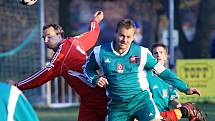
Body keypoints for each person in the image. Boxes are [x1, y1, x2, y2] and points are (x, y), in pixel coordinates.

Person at [83, 19, 200, 121]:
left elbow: (163, 72)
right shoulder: (100, 52)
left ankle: (185, 111)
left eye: (129, 37)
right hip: (118, 106)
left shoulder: (142, 53)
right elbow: (87, 69)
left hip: (141, 102)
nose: (125, 40)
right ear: (116, 34)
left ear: (133, 37)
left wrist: (185, 88)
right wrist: (95, 78)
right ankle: (185, 111)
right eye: (122, 35)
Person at [10, 11, 108, 121]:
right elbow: (93, 34)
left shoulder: (61, 56)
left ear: (59, 35)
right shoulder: (75, 41)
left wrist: (16, 85)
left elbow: (42, 76)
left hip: (99, 98)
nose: (46, 41)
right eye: (44, 38)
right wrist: (95, 21)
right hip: (89, 100)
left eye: (49, 37)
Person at [149, 43, 206, 121]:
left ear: (166, 56)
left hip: (165, 115)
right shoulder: (145, 75)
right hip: (149, 115)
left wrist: (182, 109)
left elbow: (171, 100)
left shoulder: (170, 78)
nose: (158, 55)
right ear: (151, 57)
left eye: (161, 52)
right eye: (155, 53)